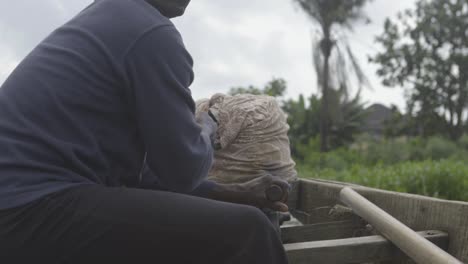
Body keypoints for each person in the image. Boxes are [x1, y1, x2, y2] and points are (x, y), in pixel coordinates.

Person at [0, 0, 290, 263]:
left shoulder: (111, 15)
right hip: (29, 208)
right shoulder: (151, 33)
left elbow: (147, 176)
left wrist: (233, 192)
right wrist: (209, 125)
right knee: (249, 231)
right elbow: (182, 170)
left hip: (23, 204)